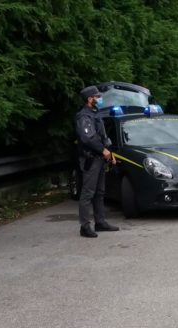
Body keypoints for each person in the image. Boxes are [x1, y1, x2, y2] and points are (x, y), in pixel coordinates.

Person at [75, 85, 119, 238]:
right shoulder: (84, 116)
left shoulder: (95, 114)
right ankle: (85, 226)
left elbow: (102, 137)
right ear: (89, 99)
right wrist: (103, 151)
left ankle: (100, 222)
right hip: (90, 159)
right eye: (97, 97)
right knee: (88, 193)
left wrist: (109, 153)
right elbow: (88, 138)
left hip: (99, 159)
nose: (100, 99)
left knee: (99, 193)